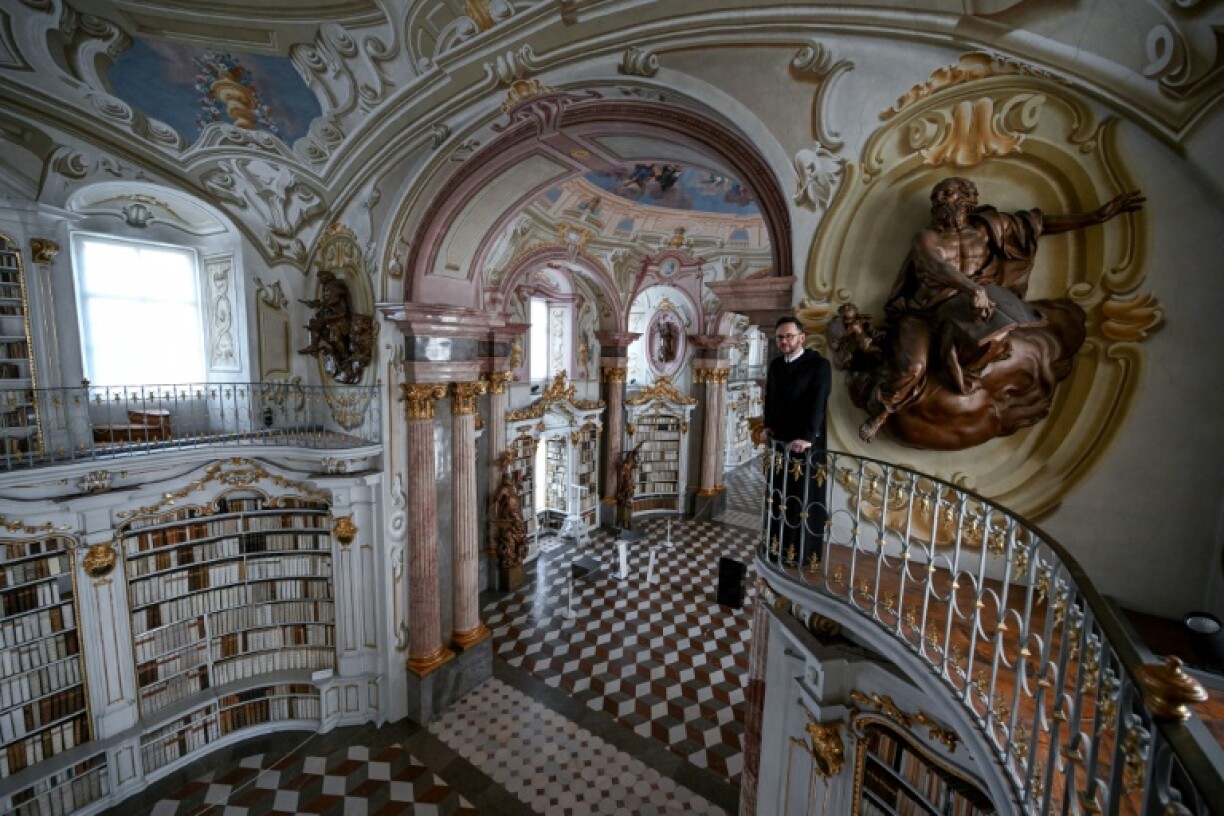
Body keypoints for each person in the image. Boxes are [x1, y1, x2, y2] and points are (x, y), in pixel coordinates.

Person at [858, 177, 1144, 443]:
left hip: (967, 307)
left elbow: (1040, 224)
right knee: (913, 367)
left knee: (996, 337)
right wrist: (974, 290)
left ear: (967, 197)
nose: (938, 199)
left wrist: (1095, 217)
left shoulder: (988, 228)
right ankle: (883, 411)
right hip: (924, 312)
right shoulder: (927, 237)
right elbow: (936, 266)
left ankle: (964, 375)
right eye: (935, 196)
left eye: (946, 192)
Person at [762, 316, 832, 568]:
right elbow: (770, 397)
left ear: (801, 338)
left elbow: (818, 403)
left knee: (801, 500)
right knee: (778, 497)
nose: (783, 341)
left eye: (788, 336)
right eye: (780, 337)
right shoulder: (775, 365)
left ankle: (801, 557)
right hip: (780, 444)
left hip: (806, 446)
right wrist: (767, 425)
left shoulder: (819, 365)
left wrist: (808, 436)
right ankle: (775, 550)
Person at [616, 446, 640, 531]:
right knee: (625, 494)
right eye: (631, 457)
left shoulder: (631, 463)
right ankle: (623, 520)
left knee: (629, 495)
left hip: (629, 482)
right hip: (625, 483)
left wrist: (637, 454)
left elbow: (637, 465)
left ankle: (627, 503)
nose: (631, 459)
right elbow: (621, 474)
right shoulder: (625, 465)